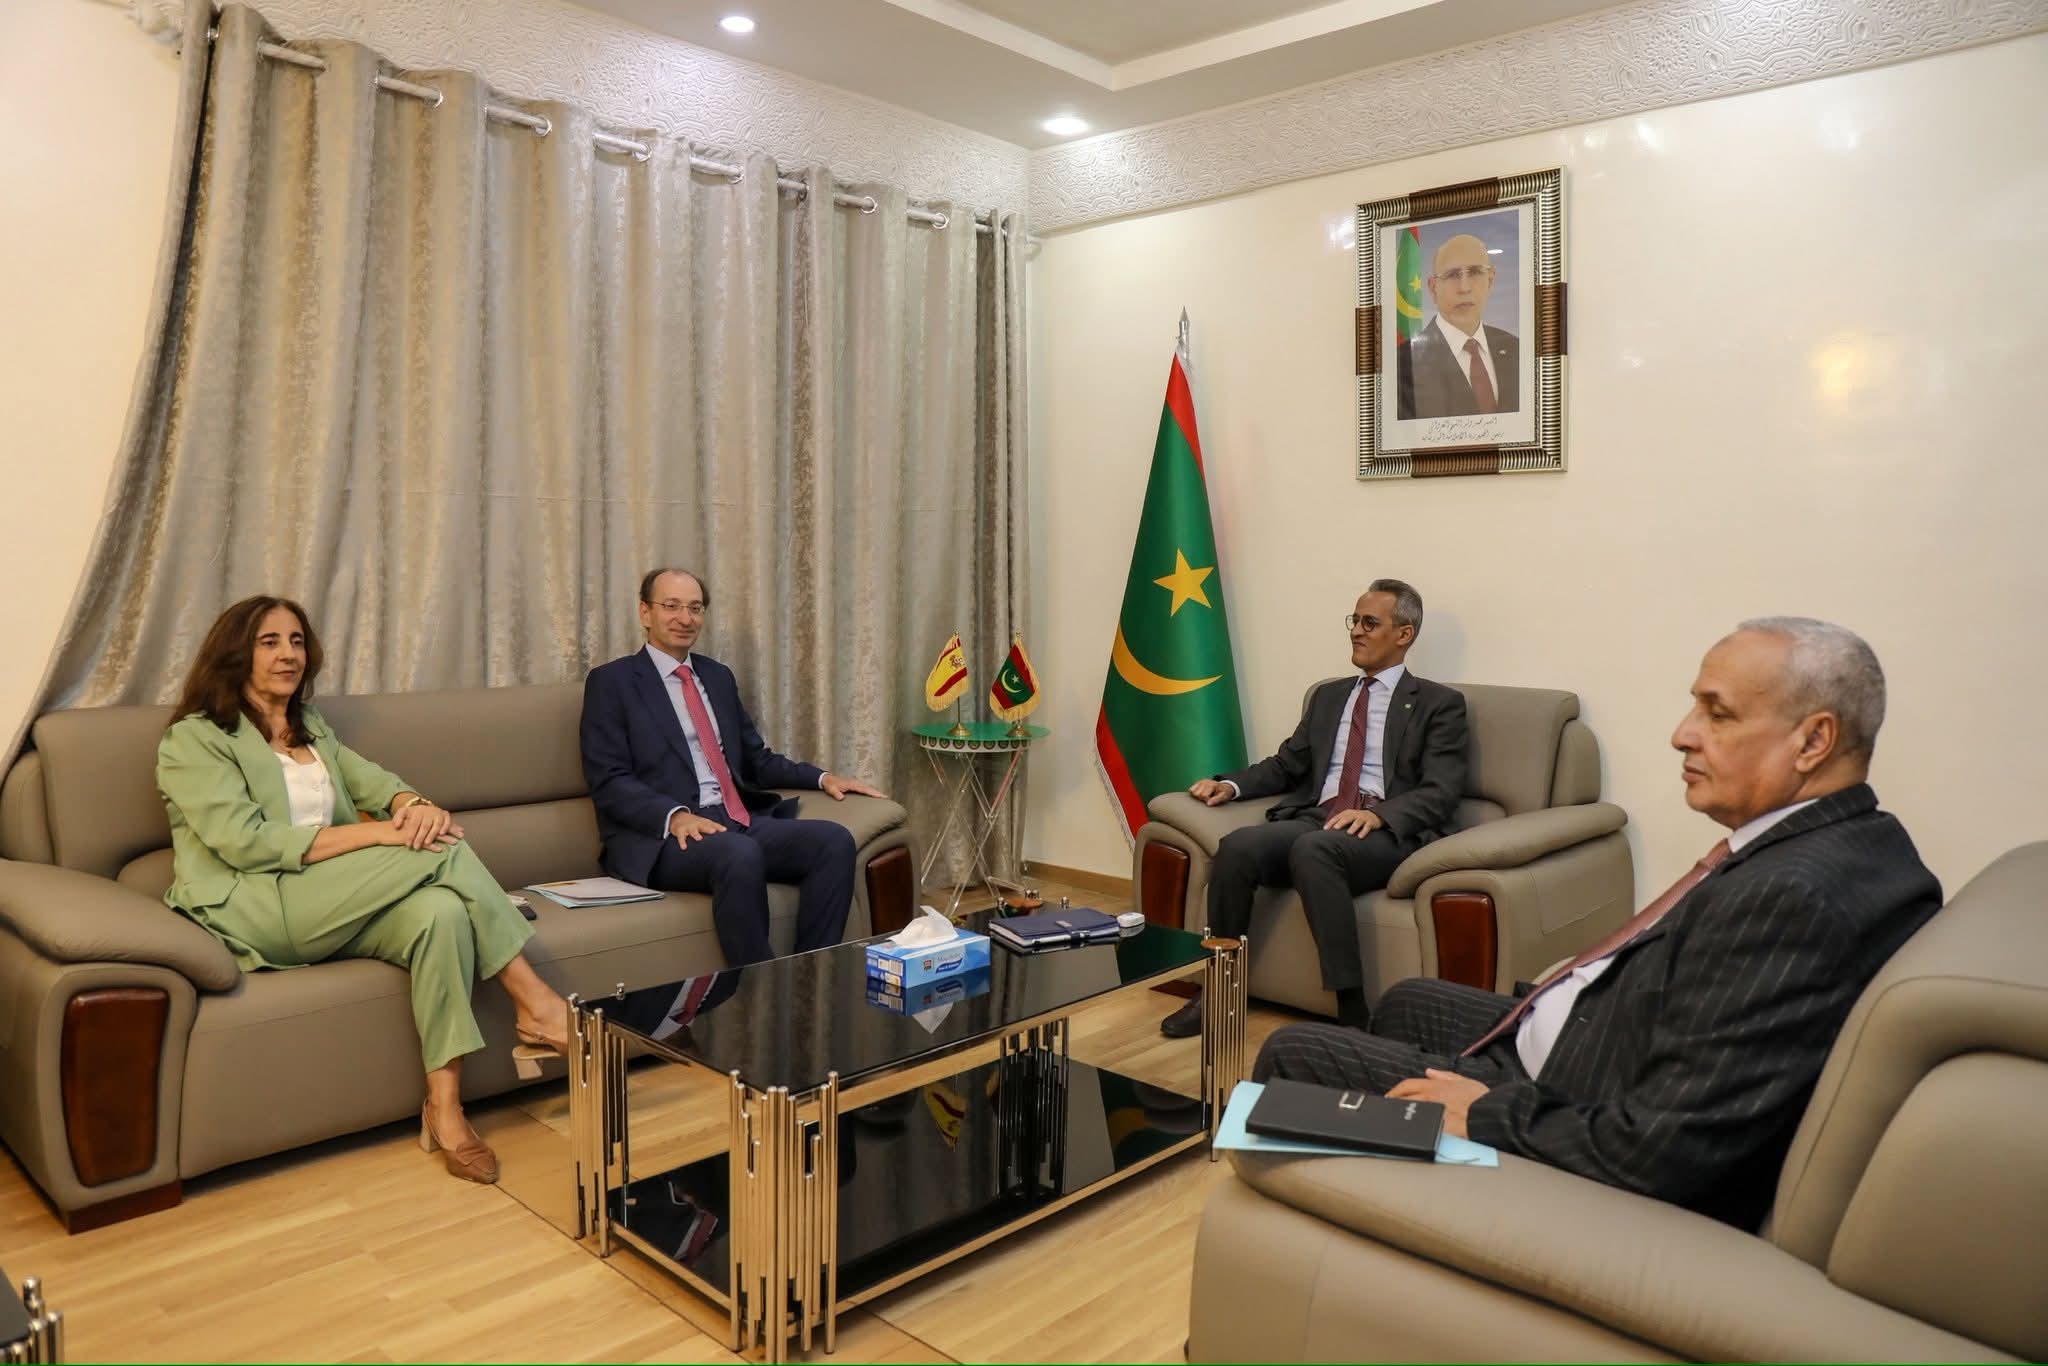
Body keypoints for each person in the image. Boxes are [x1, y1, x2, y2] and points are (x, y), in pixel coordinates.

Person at [1252, 617, 1942, 1229]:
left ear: (1814, 740)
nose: (1682, 734)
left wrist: (1480, 1111)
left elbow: (1660, 1149)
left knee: (1294, 1055)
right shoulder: (1855, 840)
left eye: (1718, 714)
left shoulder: (1791, 897)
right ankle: (1378, 1203)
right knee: (1408, 1000)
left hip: (1575, 1100)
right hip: (1602, 1045)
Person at [156, 596, 570, 1186]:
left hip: (330, 898)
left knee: (442, 912)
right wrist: (382, 832)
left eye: (296, 641)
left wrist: (412, 804)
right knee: (440, 850)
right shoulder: (194, 739)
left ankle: (445, 1110)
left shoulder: (311, 728)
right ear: (234, 653)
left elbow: (375, 782)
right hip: (258, 905)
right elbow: (246, 843)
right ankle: (537, 1004)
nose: (288, 654)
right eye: (269, 642)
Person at [1161, 579, 1468, 1038]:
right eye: (1354, 621)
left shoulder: (1439, 704)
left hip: (1382, 832)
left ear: (1404, 634)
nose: (1356, 631)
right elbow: (1288, 765)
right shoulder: (1329, 696)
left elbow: (1442, 790)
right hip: (1319, 817)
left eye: (1370, 623)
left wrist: (1378, 814)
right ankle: (1219, 992)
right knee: (1238, 846)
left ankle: (1352, 1010)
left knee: (1315, 850)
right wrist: (1231, 784)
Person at [579, 568, 887, 967]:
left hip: (734, 820)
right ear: (645, 612)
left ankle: (810, 975)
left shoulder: (717, 676)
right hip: (664, 837)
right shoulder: (612, 682)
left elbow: (756, 760)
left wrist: (823, 778)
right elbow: (609, 779)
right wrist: (675, 816)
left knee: (833, 841)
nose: (685, 618)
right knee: (738, 853)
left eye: (695, 608)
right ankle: (761, 983)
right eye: (671, 606)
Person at [1395, 232, 1521, 419]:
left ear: (1491, 280)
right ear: (1433, 287)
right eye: (1452, 275)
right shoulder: (1403, 363)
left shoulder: (1517, 350)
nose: (1464, 288)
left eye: (1475, 272)